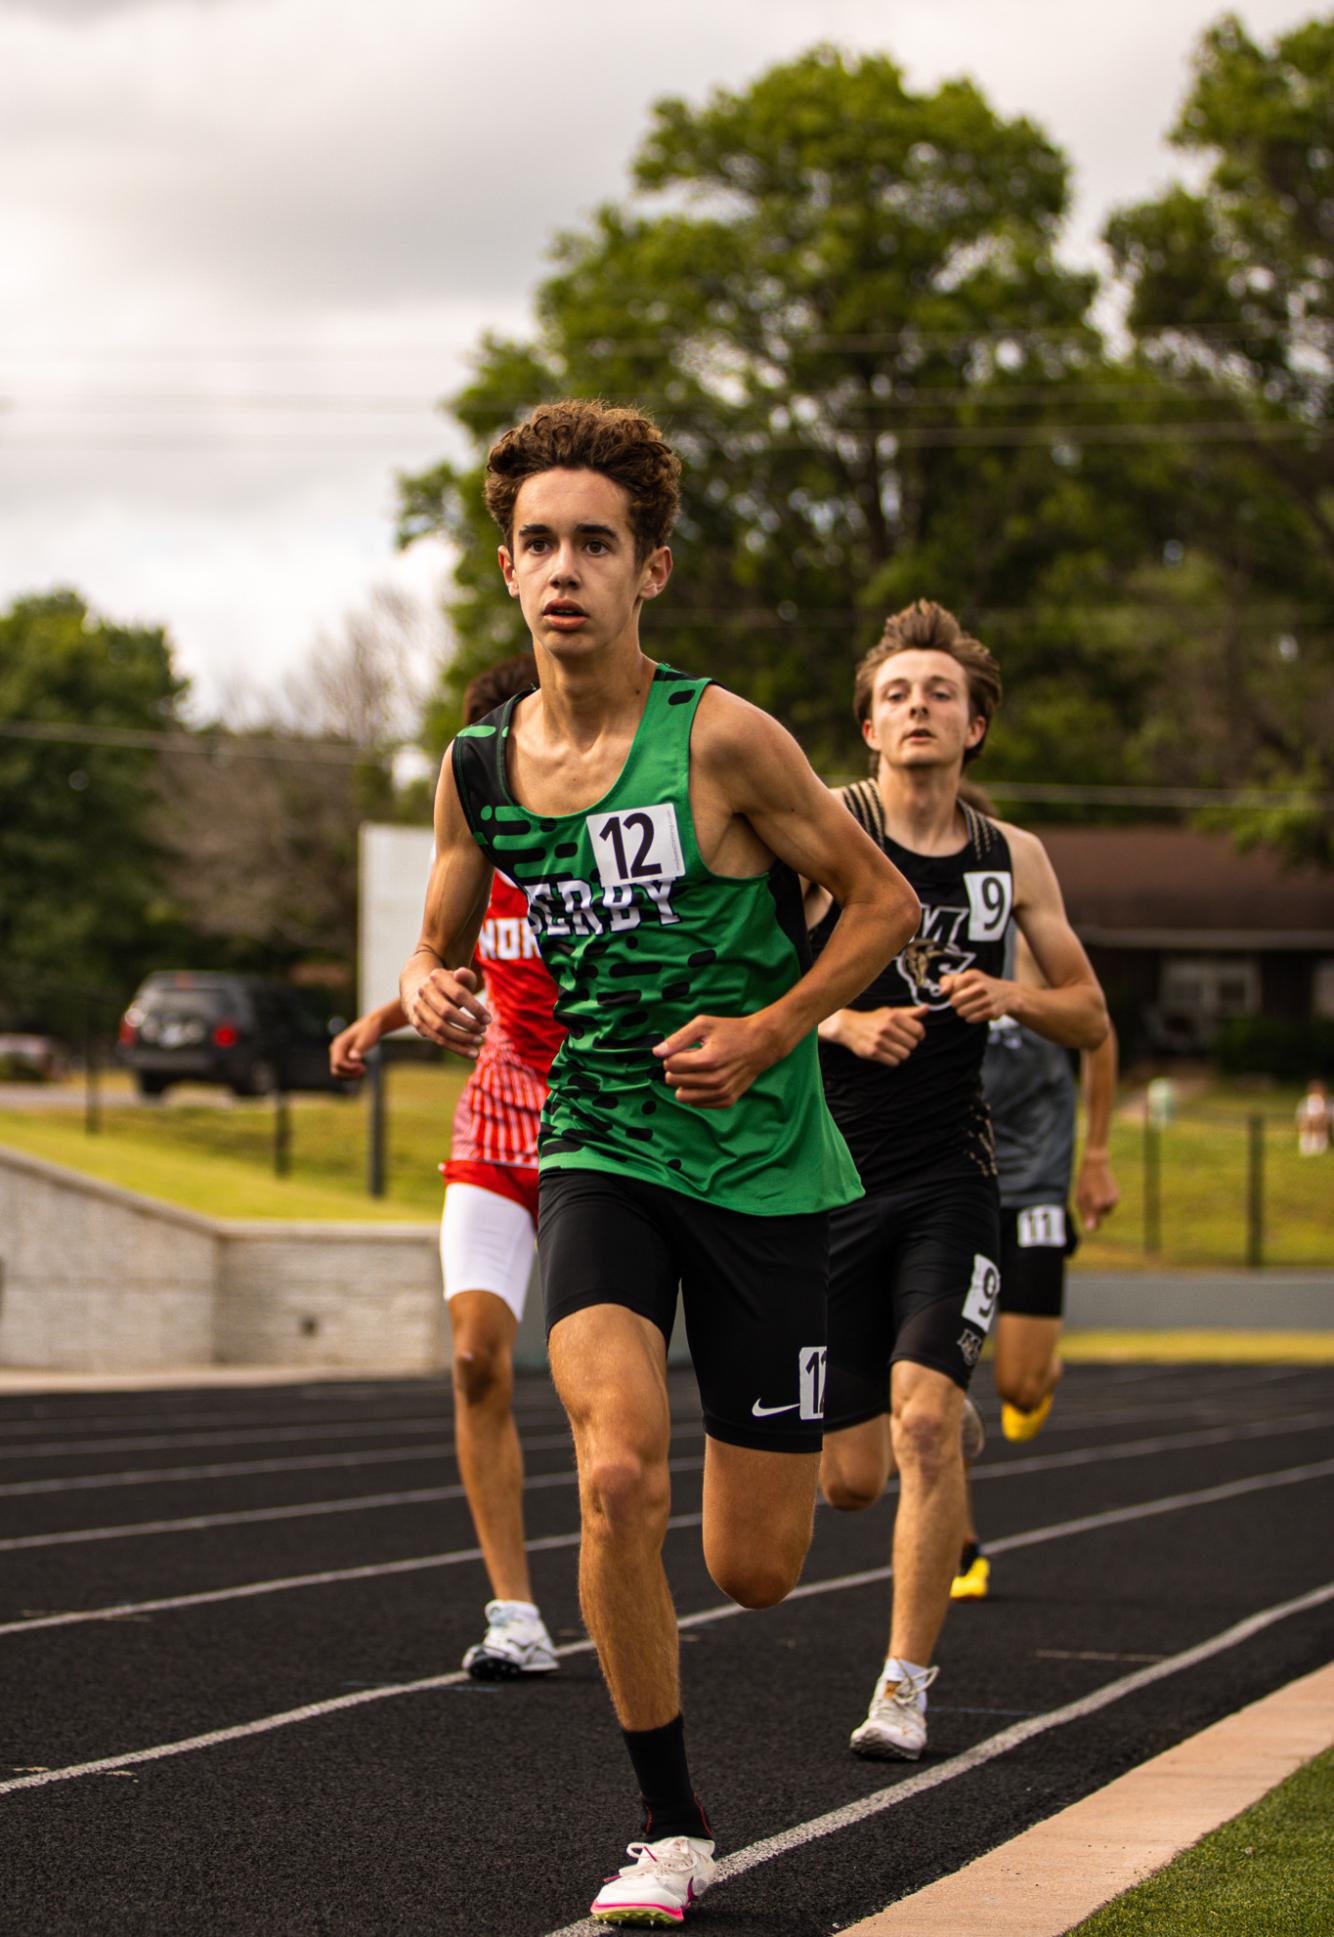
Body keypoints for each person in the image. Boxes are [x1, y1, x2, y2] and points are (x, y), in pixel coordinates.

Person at [399, 399, 919, 1928]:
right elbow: (438, 940)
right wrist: (429, 984)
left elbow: (881, 904)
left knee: (755, 1565)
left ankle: (835, 1436)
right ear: (508, 569)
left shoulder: (725, 738)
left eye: (595, 544)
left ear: (652, 572)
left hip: (761, 1172)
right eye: (539, 542)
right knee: (616, 1468)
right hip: (600, 1148)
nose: (565, 569)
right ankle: (668, 1827)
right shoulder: (479, 764)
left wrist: (766, 1029)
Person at [809, 600, 1108, 1762]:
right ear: (869, 727)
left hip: (952, 1175)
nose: (917, 709)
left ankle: (900, 1688)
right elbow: (742, 981)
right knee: (844, 1482)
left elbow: (1086, 1011)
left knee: (923, 1425)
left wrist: (1012, 996)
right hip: (826, 1177)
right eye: (895, 694)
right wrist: (841, 1021)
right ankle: (928, 1408)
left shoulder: (1011, 857)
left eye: (939, 693)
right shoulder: (827, 827)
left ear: (973, 724)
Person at [330, 655, 567, 1679]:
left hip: (604, 1131)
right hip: (493, 1125)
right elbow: (451, 960)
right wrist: (393, 1011)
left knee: (603, 1389)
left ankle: (621, 1564)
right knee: (476, 1357)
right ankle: (513, 1610)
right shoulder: (475, 848)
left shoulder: (600, 852)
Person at [951, 916, 1120, 1602]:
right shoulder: (923, 948)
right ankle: (961, 1548)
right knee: (938, 1387)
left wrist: (1098, 1155)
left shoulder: (1039, 949)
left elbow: (1100, 1038)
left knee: (1019, 1385)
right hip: (954, 1180)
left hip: (1037, 1185)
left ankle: (1040, 1371)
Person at [1296, 1077, 1331, 1157]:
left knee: (1319, 1120)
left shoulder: (1329, 1101)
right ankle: (1308, 1145)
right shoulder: (1306, 1101)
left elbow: (1328, 1118)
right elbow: (1301, 1118)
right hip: (1309, 1125)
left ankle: (1319, 1145)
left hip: (1323, 1126)